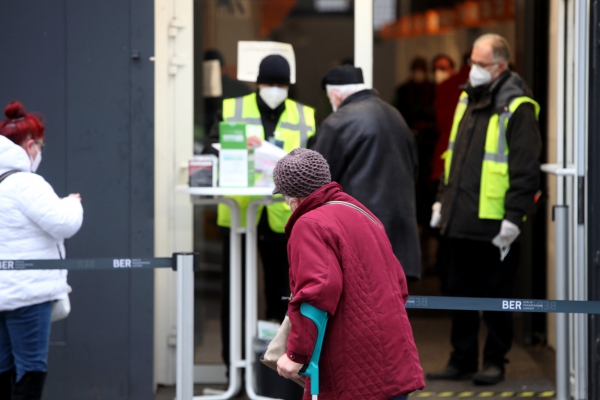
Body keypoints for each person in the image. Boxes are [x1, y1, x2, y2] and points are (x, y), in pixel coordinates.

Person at [427, 34, 542, 384]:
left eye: (479, 64)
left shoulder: (517, 107)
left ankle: (495, 360)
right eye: (471, 61)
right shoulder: (467, 99)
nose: (471, 70)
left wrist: (514, 217)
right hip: (460, 217)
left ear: (500, 67)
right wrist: (441, 200)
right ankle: (461, 359)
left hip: (495, 223)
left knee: (496, 298)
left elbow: (525, 170)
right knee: (458, 294)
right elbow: (454, 158)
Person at [273, 148, 424, 399]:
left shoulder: (308, 224)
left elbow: (316, 294)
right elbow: (399, 284)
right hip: (394, 354)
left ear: (295, 200)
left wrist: (295, 355)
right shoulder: (363, 214)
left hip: (352, 362)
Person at [203, 54, 316, 368]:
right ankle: (234, 366)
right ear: (257, 83)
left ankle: (278, 366)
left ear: (289, 86)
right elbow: (209, 149)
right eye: (268, 83)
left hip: (284, 219)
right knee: (235, 294)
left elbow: (315, 162)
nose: (274, 89)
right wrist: (239, 147)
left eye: (280, 84)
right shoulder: (232, 108)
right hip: (240, 215)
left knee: (284, 294)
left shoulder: (305, 114)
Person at [0, 101, 83, 399]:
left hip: (3, 292)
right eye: (41, 147)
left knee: (3, 368)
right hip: (28, 293)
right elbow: (62, 224)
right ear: (31, 146)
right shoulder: (27, 184)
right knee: (31, 369)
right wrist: (72, 203)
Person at [315, 65, 421, 281]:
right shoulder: (396, 116)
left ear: (335, 94)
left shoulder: (338, 122)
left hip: (363, 239)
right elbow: (415, 169)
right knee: (394, 310)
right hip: (403, 241)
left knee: (364, 311)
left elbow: (318, 185)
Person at [392, 57, 437, 230]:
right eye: (416, 68)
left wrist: (427, 126)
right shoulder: (403, 91)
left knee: (427, 189)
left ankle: (427, 226)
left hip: (429, 149)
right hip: (408, 146)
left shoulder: (433, 91)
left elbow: (439, 119)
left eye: (421, 68)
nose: (419, 72)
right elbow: (396, 115)